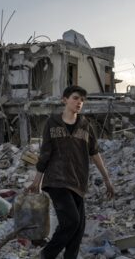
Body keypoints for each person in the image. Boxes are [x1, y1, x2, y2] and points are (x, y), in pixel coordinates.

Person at [27, 85, 115, 259]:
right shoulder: (52, 123)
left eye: (82, 100)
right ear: (64, 100)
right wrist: (37, 181)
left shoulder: (85, 125)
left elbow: (95, 153)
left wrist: (107, 180)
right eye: (75, 98)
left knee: (78, 229)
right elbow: (45, 154)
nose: (79, 102)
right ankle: (45, 255)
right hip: (56, 181)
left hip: (78, 182)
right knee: (71, 222)